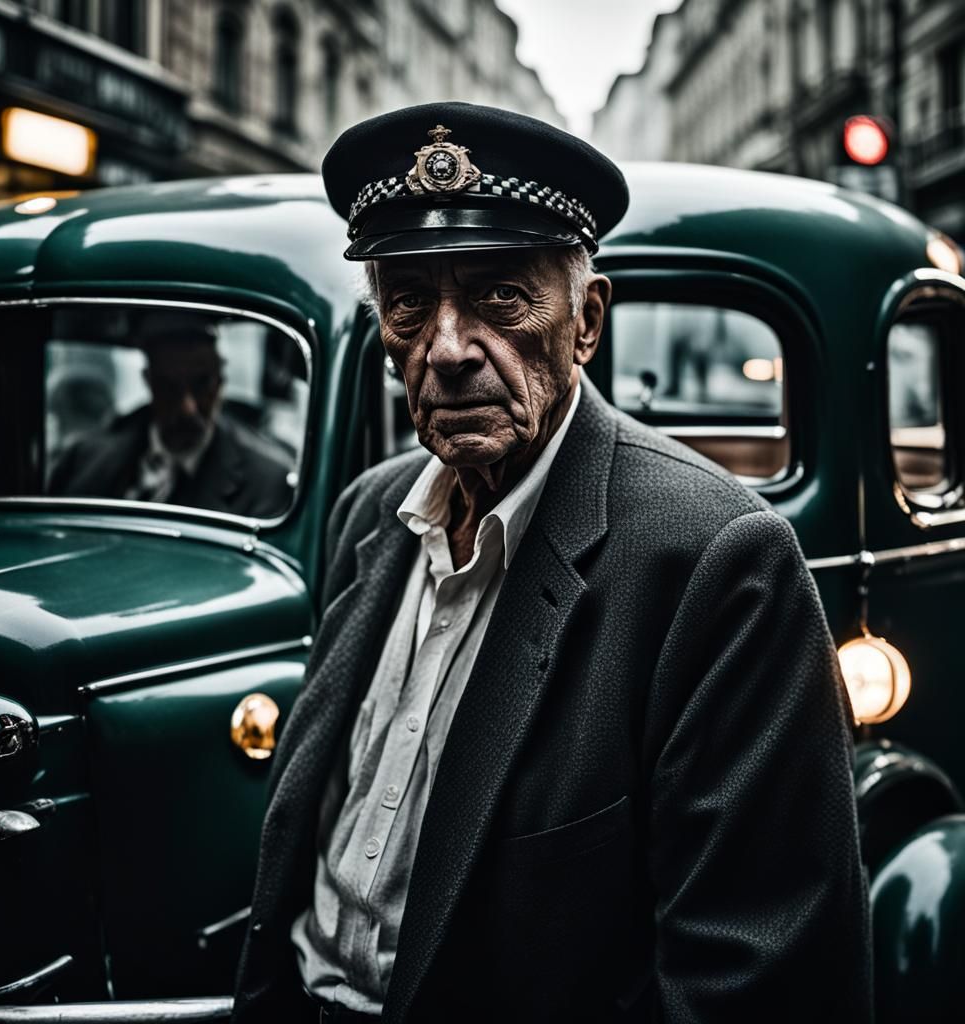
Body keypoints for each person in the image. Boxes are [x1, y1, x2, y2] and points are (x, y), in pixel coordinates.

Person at [233, 102, 872, 1023]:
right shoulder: (369, 515)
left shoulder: (719, 563)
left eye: (499, 297)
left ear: (586, 323)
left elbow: (756, 986)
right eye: (410, 302)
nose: (447, 350)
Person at [48, 318, 294, 519]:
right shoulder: (83, 464)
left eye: (201, 385)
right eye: (170, 388)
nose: (187, 408)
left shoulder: (267, 483)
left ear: (220, 384)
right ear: (149, 382)